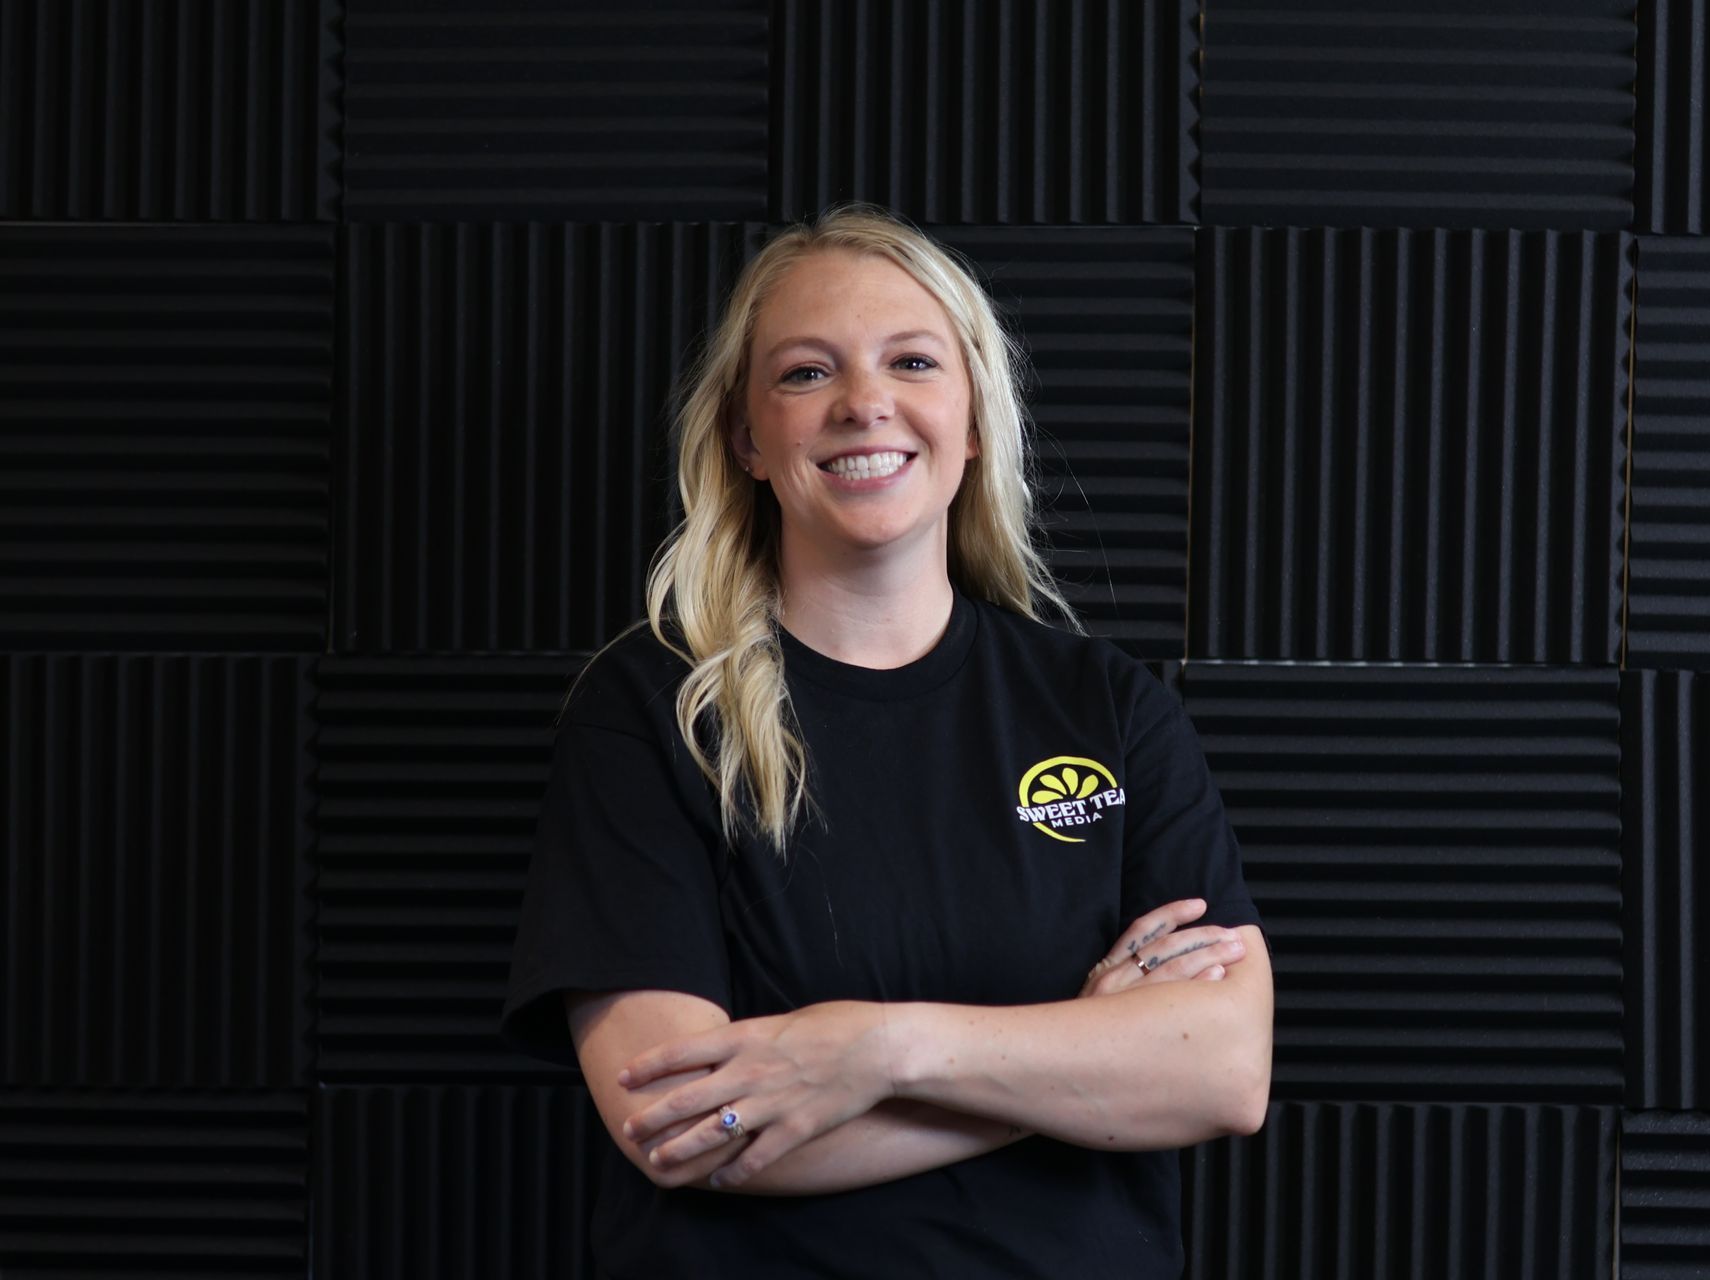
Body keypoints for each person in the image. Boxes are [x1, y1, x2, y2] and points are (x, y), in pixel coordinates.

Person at [499, 202, 1273, 1279]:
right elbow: (678, 1123)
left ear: (971, 419)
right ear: (746, 439)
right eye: (806, 373)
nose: (865, 403)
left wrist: (875, 1050)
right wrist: (1072, 1067)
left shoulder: (1106, 707)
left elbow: (1224, 1068)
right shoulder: (653, 711)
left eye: (911, 360)